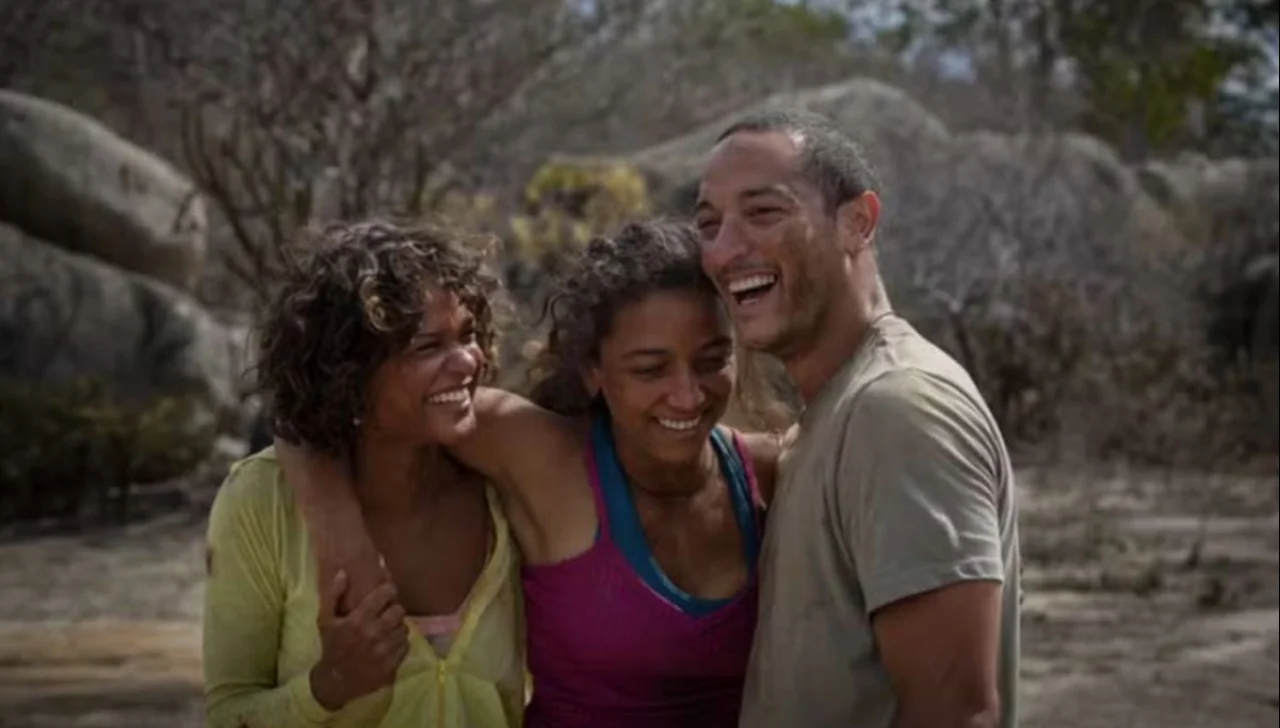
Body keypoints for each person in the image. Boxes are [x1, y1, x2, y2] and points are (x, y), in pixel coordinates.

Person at [276, 219, 783, 728]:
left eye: (712, 360)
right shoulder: (542, 457)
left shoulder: (768, 474)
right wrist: (347, 550)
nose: (688, 396)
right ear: (593, 370)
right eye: (650, 369)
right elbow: (323, 411)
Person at [692, 109, 1020, 728]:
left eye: (763, 212)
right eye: (709, 224)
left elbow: (955, 712)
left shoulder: (897, 408)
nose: (723, 249)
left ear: (858, 222)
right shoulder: (834, 413)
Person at [202, 220, 526, 728]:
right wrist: (329, 686)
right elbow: (227, 714)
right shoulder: (261, 501)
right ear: (349, 373)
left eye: (467, 335)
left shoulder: (503, 486)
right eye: (428, 346)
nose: (469, 361)